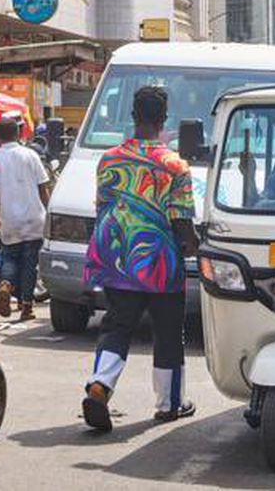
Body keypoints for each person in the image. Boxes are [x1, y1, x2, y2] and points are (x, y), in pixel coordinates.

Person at [81, 86, 198, 432]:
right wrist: (193, 244)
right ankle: (169, 404)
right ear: (164, 119)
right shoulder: (176, 167)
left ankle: (100, 385)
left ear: (133, 116)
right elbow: (181, 222)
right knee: (167, 334)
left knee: (117, 326)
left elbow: (104, 209)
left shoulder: (109, 160)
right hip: (162, 265)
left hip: (116, 260)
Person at [0, 119, 49, 321]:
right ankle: (26, 307)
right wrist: (49, 211)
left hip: (9, 218)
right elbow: (43, 187)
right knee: (30, 263)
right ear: (18, 134)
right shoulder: (31, 155)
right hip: (34, 217)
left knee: (10, 256)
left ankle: (6, 283)